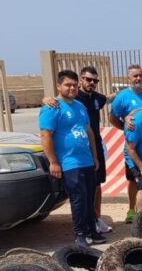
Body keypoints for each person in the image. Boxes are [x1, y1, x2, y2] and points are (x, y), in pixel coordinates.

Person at [41, 66, 112, 234]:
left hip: (89, 155)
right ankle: (81, 233)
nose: (92, 82)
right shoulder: (59, 103)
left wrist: (95, 156)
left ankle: (94, 223)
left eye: (95, 80)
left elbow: (90, 129)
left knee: (94, 190)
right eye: (88, 79)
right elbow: (45, 134)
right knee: (79, 198)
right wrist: (45, 99)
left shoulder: (89, 101)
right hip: (70, 160)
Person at [109, 64, 142, 223]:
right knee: (134, 181)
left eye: (140, 75)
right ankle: (132, 210)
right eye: (135, 76)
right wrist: (125, 127)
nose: (138, 78)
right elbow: (113, 118)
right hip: (133, 148)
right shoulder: (122, 97)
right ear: (129, 79)